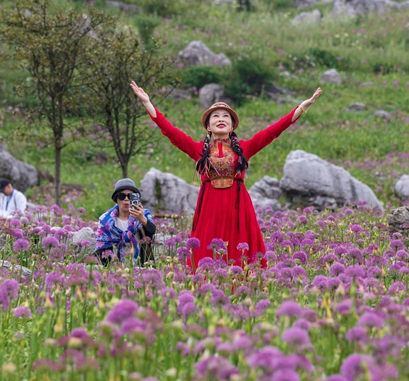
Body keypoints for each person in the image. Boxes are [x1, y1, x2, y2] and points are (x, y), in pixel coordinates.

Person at [131, 80, 322, 269]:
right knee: (207, 248)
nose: (221, 119)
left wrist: (302, 107)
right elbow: (170, 131)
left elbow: (273, 131)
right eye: (215, 116)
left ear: (232, 127)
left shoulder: (244, 149)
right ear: (208, 126)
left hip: (238, 207)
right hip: (209, 208)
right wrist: (148, 103)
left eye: (225, 117)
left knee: (240, 250)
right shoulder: (198, 150)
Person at [94, 178, 156, 266]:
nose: (126, 199)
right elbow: (100, 248)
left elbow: (152, 231)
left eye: (130, 196)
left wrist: (142, 219)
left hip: (141, 266)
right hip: (113, 267)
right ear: (117, 199)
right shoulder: (105, 220)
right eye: (122, 196)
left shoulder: (143, 214)